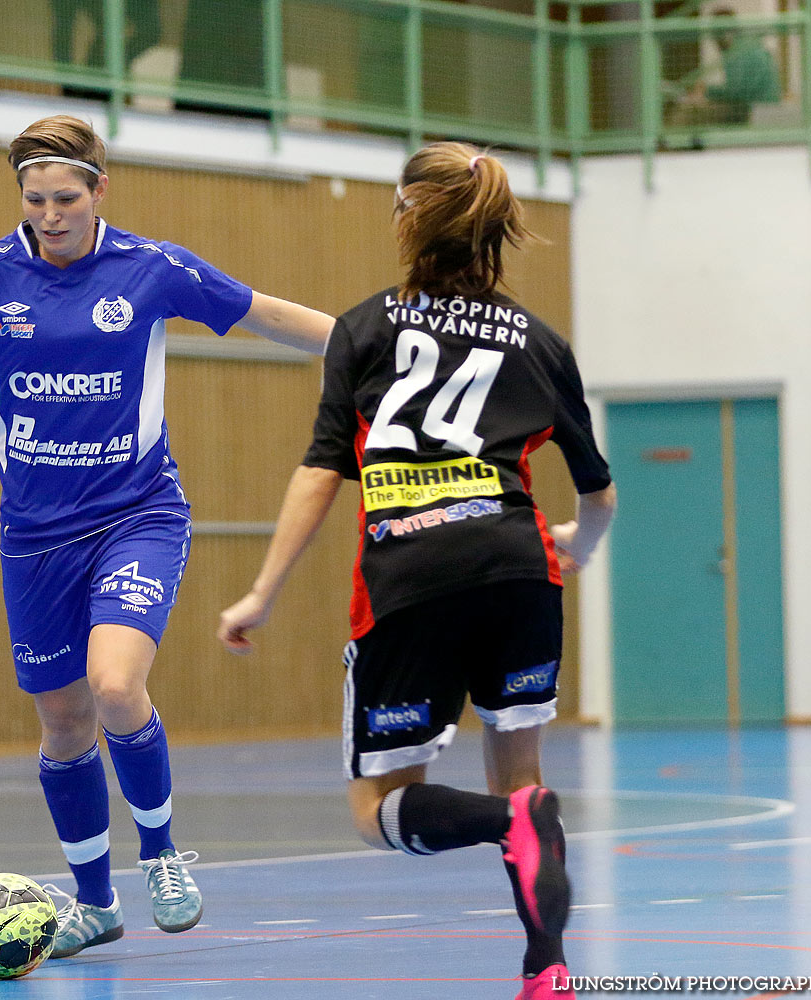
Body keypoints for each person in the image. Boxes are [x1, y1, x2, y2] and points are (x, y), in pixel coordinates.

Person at [0, 114, 334, 958]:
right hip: (33, 537)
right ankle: (94, 903)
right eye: (35, 200)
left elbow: (268, 314)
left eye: (65, 198)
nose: (50, 215)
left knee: (116, 685)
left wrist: (382, 342)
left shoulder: (151, 269)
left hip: (138, 515)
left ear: (100, 190)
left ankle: (162, 854)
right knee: (62, 723)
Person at [218, 142, 618, 1000]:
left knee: (376, 810)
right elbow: (600, 492)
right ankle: (546, 968)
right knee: (525, 779)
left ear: (409, 218)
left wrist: (262, 590)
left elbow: (324, 470)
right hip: (520, 569)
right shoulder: (541, 343)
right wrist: (577, 546)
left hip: (412, 575)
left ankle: (503, 823)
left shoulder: (365, 329)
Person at [673, 8, 781, 127]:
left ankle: (671, 144)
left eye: (715, 33)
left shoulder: (739, 50)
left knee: (690, 111)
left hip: (755, 109)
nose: (714, 39)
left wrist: (706, 91)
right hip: (756, 106)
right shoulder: (745, 44)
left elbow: (737, 93)